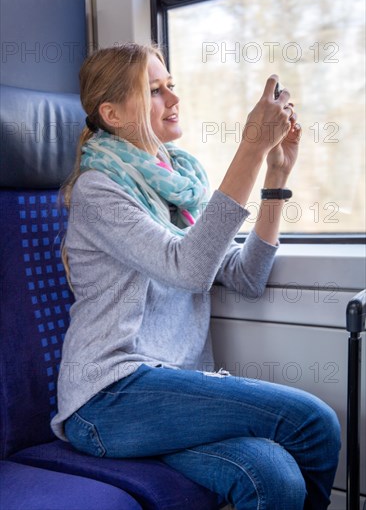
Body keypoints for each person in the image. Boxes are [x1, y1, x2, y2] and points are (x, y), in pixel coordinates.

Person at [51, 43, 341, 510]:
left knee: (274, 478)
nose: (174, 98)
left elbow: (245, 276)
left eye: (172, 86)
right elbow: (187, 269)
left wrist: (275, 176)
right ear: (112, 113)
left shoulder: (175, 186)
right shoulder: (97, 190)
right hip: (108, 398)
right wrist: (250, 145)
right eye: (154, 91)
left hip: (170, 391)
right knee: (313, 421)